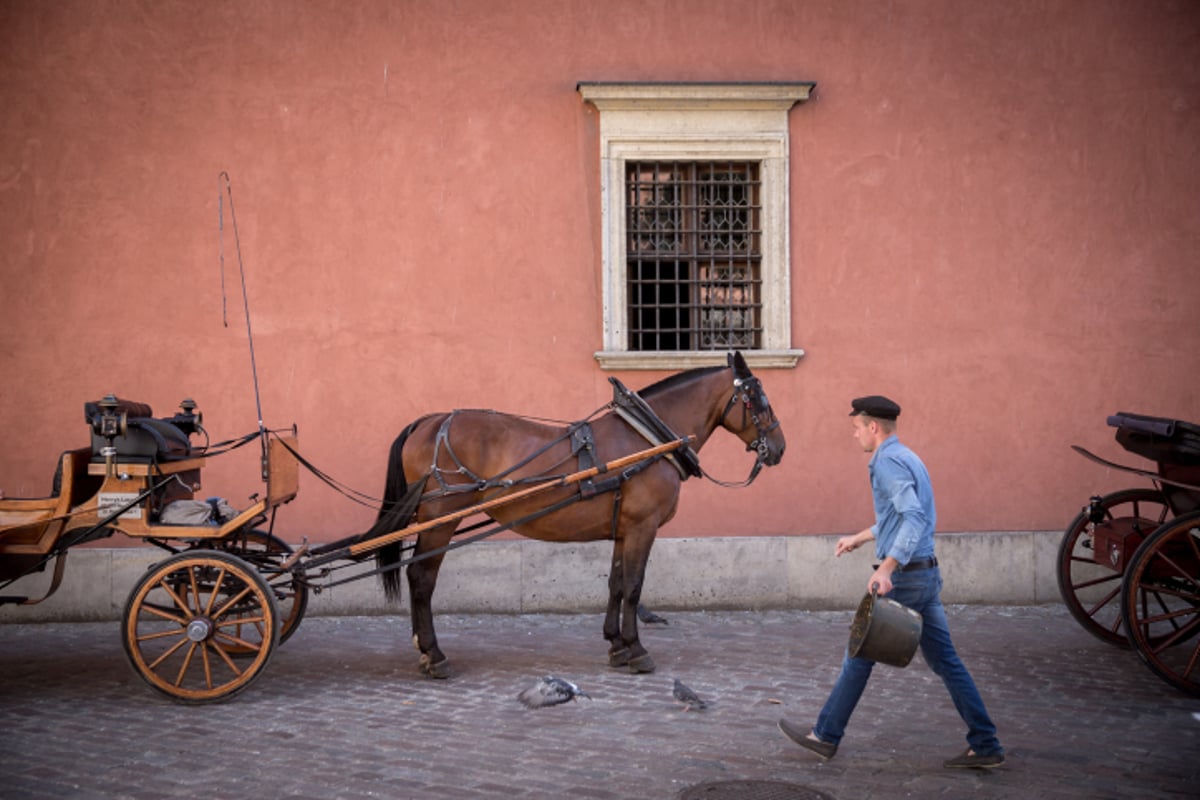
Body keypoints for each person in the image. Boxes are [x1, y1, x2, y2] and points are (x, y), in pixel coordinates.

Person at [778, 395, 1005, 769]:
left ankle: (825, 735)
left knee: (859, 656)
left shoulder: (886, 462)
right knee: (947, 662)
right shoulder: (909, 457)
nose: (854, 436)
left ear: (873, 427)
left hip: (907, 578)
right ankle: (985, 743)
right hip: (926, 575)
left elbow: (914, 518)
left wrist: (886, 568)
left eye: (856, 428)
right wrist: (860, 537)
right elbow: (899, 518)